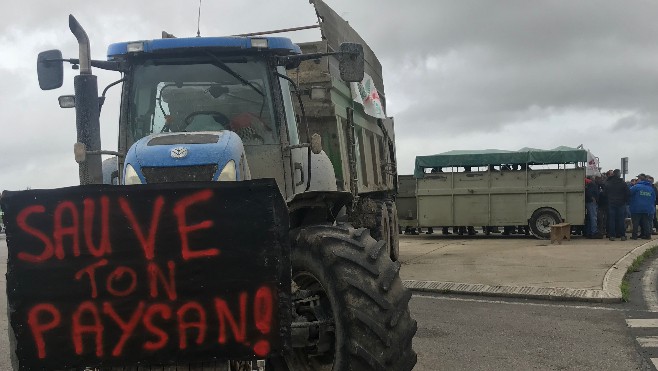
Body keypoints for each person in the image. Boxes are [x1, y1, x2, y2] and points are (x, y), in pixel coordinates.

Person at [603, 169, 630, 241]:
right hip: (621, 203)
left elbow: (604, 194)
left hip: (611, 203)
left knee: (611, 220)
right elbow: (627, 193)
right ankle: (622, 235)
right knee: (621, 220)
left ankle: (612, 235)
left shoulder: (608, 183)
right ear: (618, 174)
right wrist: (625, 200)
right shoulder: (622, 183)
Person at [629, 174, 657, 240]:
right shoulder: (650, 188)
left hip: (636, 208)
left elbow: (629, 193)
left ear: (640, 179)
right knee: (646, 222)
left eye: (637, 179)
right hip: (647, 208)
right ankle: (648, 235)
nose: (636, 180)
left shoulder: (636, 187)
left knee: (635, 222)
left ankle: (634, 236)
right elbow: (654, 198)